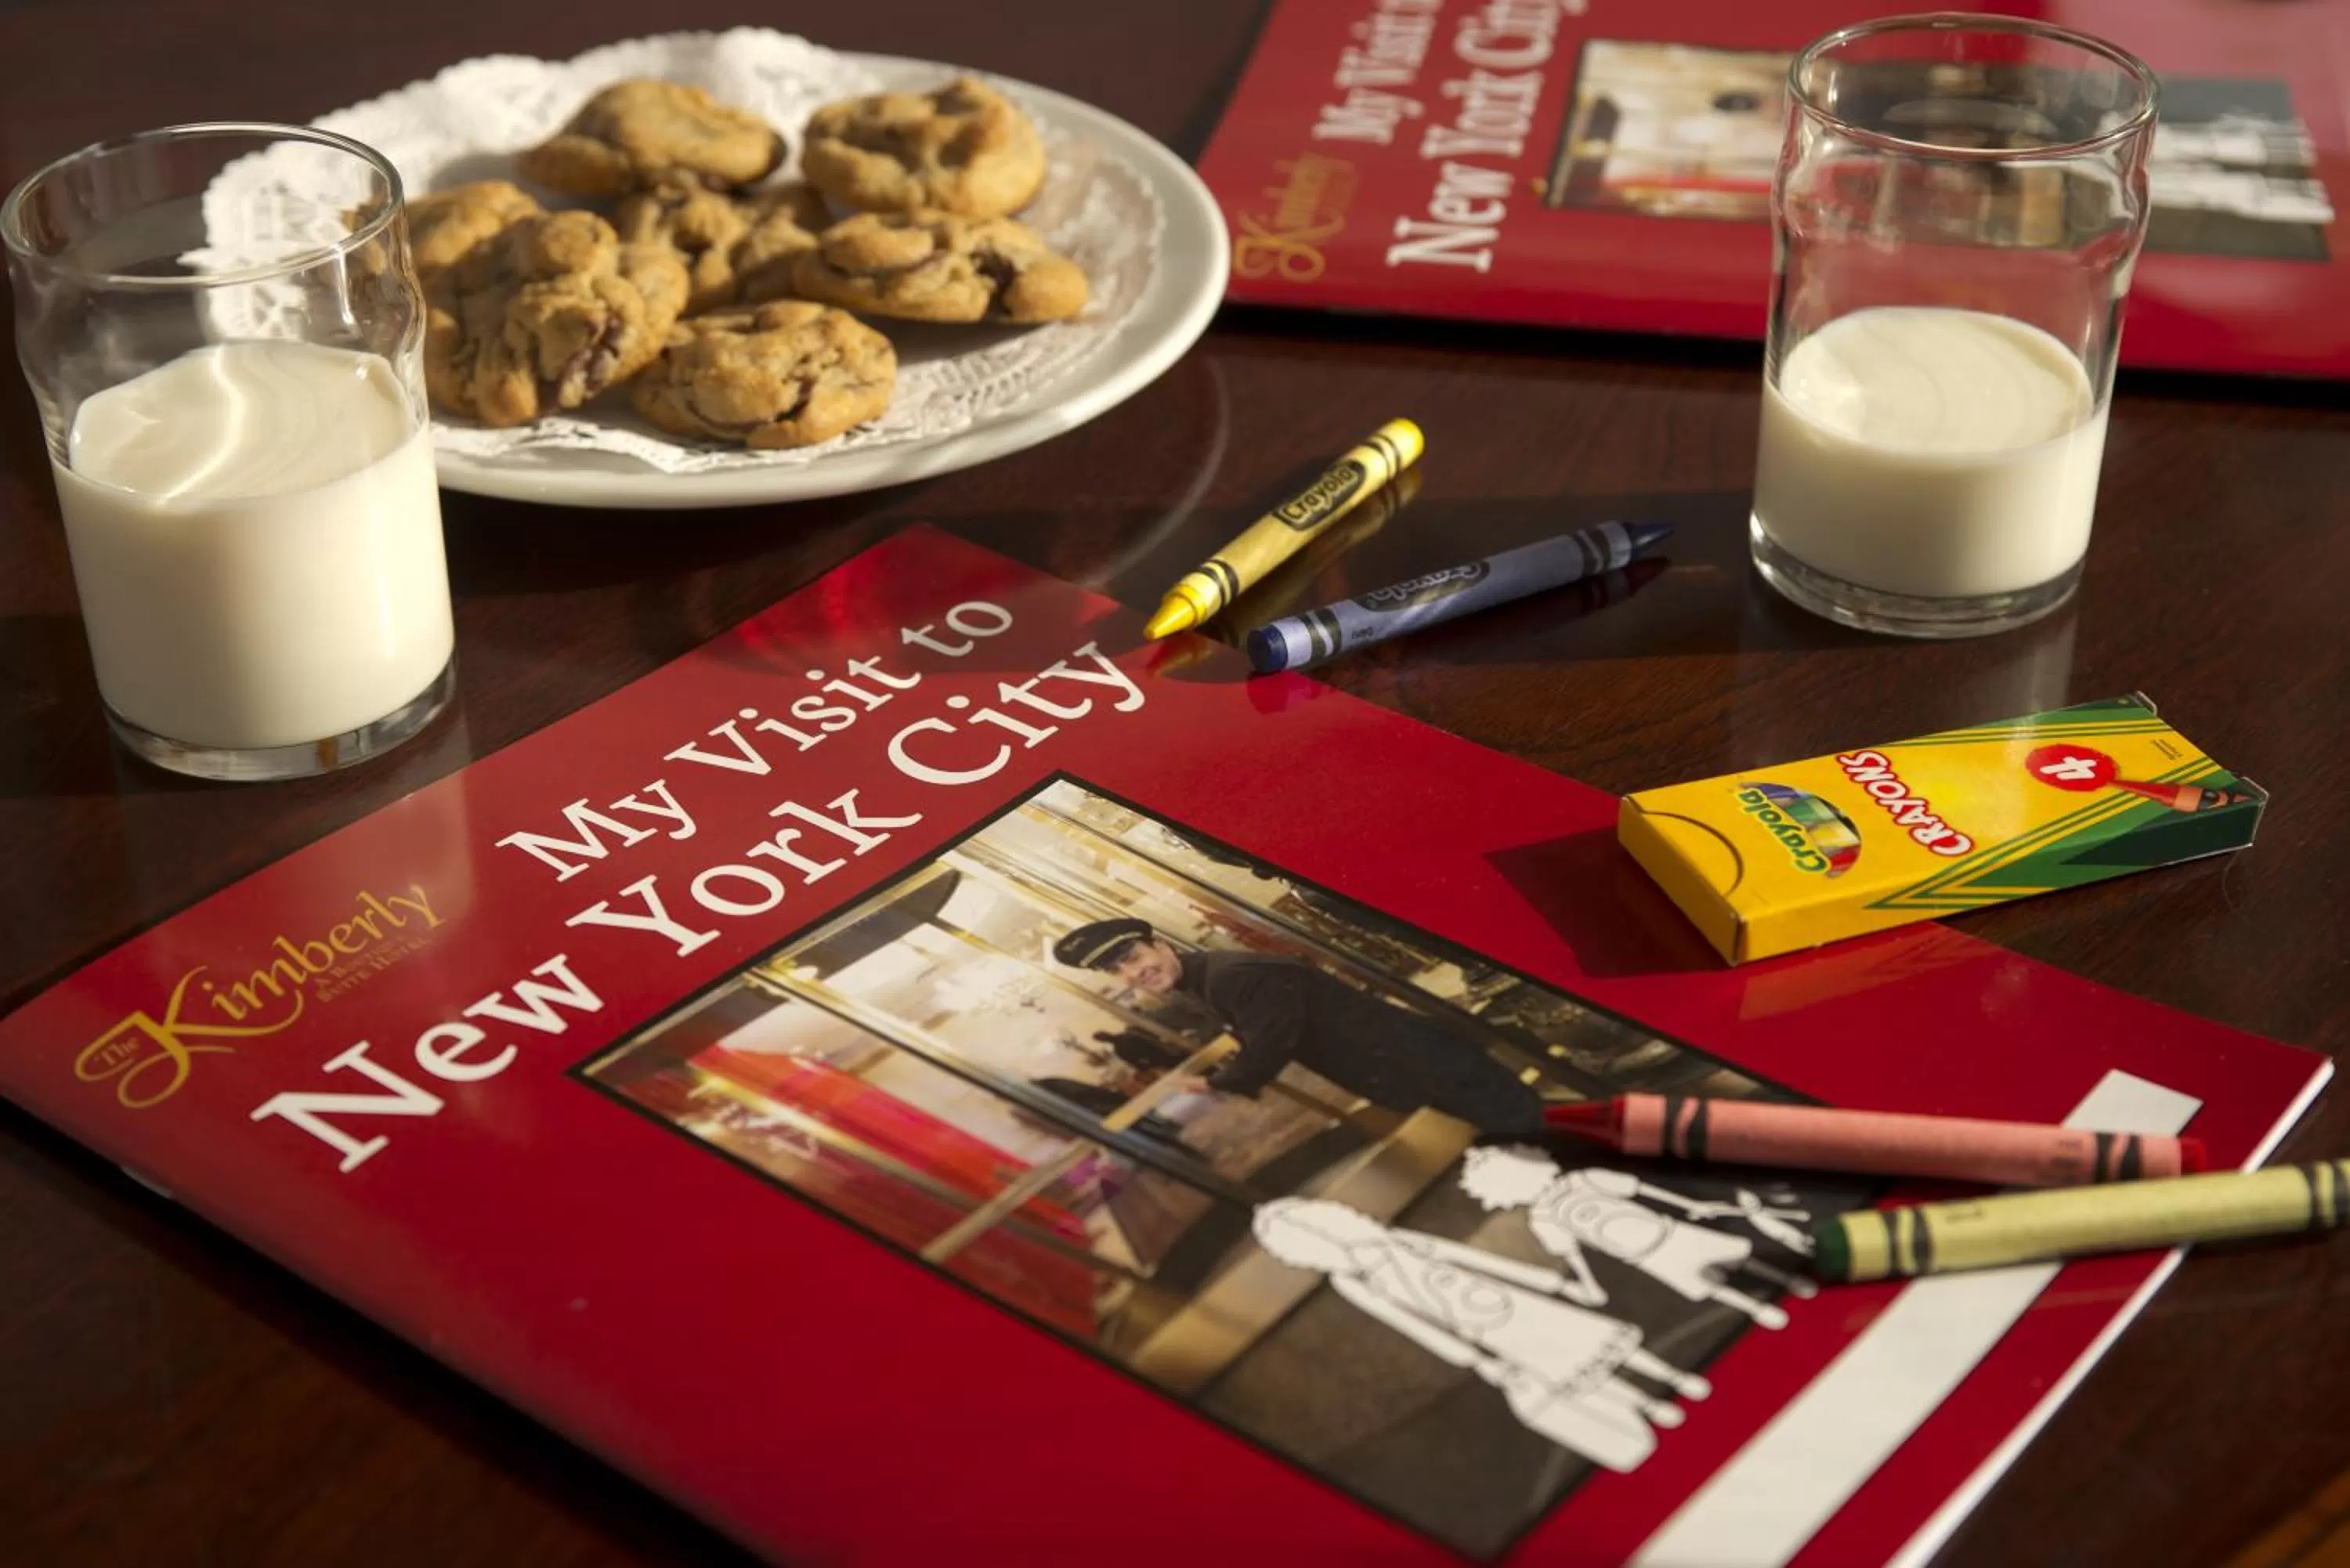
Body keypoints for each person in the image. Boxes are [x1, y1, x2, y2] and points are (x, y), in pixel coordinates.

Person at [1051, 917, 1542, 1136]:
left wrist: (1219, 1081)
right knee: (1523, 1124)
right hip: (1409, 1065)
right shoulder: (1206, 982)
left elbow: (1271, 1043)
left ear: (1160, 945)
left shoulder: (1231, 976)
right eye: (1118, 971)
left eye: (1135, 957)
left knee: (1529, 1124)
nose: (1135, 973)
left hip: (1421, 1061)